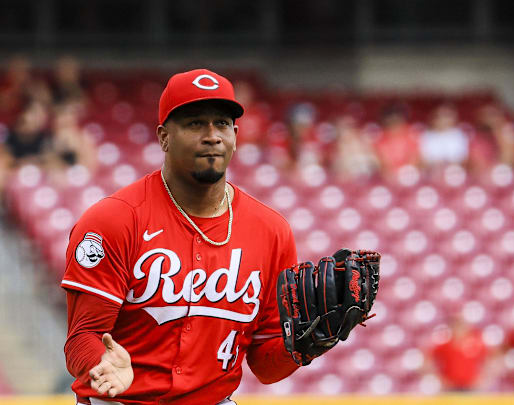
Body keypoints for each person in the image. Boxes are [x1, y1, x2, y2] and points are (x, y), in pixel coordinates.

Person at [60, 69, 341, 404]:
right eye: (195, 123)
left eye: (221, 124)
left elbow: (265, 367)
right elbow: (82, 337)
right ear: (164, 137)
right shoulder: (114, 220)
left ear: (235, 135)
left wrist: (307, 344)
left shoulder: (271, 231)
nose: (212, 136)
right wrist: (102, 365)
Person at [427, 316, 487, 392]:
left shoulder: (475, 344)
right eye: (457, 327)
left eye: (461, 327)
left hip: (471, 386)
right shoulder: (445, 345)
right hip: (450, 386)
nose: (459, 330)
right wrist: (439, 377)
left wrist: (482, 376)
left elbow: (489, 357)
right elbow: (428, 358)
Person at [419, 103, 469, 169]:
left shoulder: (459, 135)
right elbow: (423, 160)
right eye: (439, 116)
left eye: (446, 116)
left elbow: (463, 159)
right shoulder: (426, 135)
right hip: (432, 171)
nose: (442, 120)